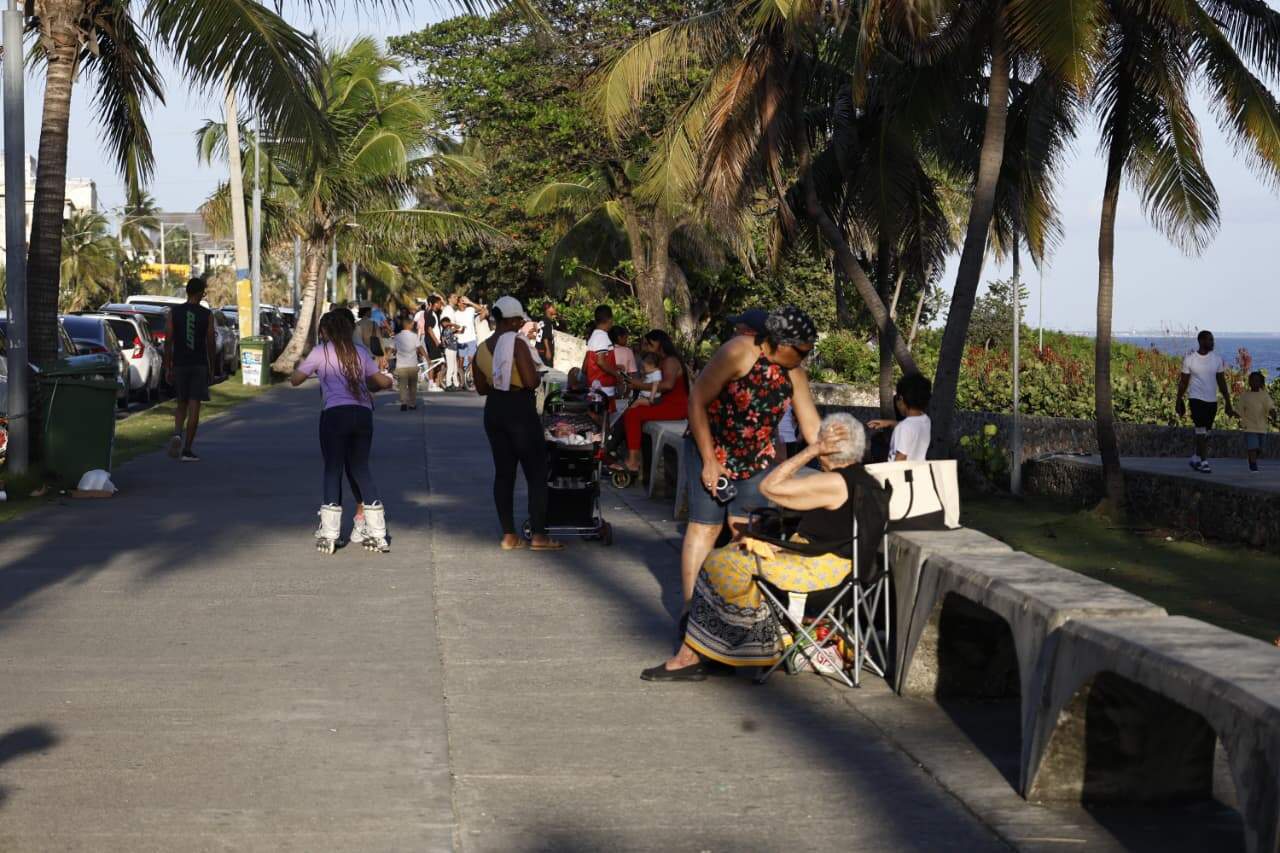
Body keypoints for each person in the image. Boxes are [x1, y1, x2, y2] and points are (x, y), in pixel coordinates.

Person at [642, 414, 883, 681]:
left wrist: (810, 451)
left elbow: (769, 487)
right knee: (734, 555)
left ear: (830, 446)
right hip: (841, 573)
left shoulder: (835, 483)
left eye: (820, 441)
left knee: (720, 563)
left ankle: (692, 656)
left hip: (819, 577)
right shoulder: (868, 481)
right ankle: (717, 650)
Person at [680, 306, 822, 608]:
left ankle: (734, 606)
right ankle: (692, 610)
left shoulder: (794, 372)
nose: (804, 359)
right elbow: (697, 401)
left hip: (756, 456)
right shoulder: (736, 352)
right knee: (706, 527)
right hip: (711, 447)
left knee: (746, 531)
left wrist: (842, 461)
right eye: (801, 351)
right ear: (781, 343)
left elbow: (811, 427)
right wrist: (709, 460)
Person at [290, 309, 394, 554]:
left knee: (333, 469)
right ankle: (378, 532)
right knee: (360, 469)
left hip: (334, 415)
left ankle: (329, 533)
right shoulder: (359, 352)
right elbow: (379, 382)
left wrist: (299, 366)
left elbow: (296, 379)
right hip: (362, 414)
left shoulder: (320, 352)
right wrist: (389, 380)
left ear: (326, 331)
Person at [472, 296, 562, 551]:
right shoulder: (517, 343)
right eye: (519, 320)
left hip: (495, 410)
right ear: (511, 320)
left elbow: (480, 388)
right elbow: (532, 381)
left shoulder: (481, 348)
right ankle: (539, 536)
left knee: (504, 474)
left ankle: (509, 535)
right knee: (535, 473)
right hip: (520, 409)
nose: (521, 324)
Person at [615, 330, 689, 476]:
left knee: (633, 414)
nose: (647, 347)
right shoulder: (663, 360)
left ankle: (633, 461)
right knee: (632, 411)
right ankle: (626, 454)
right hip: (666, 402)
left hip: (675, 407)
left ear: (660, 344)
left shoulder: (670, 360)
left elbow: (667, 385)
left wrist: (640, 386)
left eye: (650, 344)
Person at [164, 278, 218, 462]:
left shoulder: (174, 313)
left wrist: (167, 365)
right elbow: (210, 342)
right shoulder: (207, 314)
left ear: (187, 291)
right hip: (199, 364)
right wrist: (212, 366)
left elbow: (169, 340)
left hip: (180, 363)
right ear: (201, 292)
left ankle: (177, 433)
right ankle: (187, 450)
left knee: (181, 403)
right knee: (194, 404)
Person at [1177, 330, 1236, 473]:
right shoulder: (1189, 359)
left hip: (1212, 401)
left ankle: (1196, 457)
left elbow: (1222, 382)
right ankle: (1204, 461)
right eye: (1210, 340)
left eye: (1212, 340)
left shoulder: (1216, 359)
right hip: (1196, 400)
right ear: (1201, 341)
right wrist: (1178, 399)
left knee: (1206, 433)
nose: (1212, 342)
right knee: (1201, 430)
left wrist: (1228, 402)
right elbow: (1183, 382)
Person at [868, 373, 933, 461]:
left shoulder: (903, 428)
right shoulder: (925, 420)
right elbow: (912, 427)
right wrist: (889, 423)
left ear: (901, 399)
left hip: (900, 473)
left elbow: (901, 458)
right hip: (917, 471)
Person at [1236, 371, 1275, 473]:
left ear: (1261, 382)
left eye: (1257, 380)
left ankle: (1252, 458)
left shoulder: (1264, 395)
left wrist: (1272, 412)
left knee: (1259, 448)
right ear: (1249, 382)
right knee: (1253, 446)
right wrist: (1235, 414)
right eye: (1252, 380)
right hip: (1249, 426)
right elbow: (1239, 409)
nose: (1254, 382)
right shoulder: (1245, 396)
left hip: (1261, 427)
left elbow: (1270, 406)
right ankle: (1253, 465)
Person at [584, 305, 621, 399]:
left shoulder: (594, 336)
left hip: (595, 385)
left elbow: (587, 363)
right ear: (610, 320)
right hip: (604, 386)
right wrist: (616, 374)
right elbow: (600, 361)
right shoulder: (602, 336)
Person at [391, 316, 428, 411]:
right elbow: (420, 348)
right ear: (408, 325)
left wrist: (388, 356)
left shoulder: (397, 336)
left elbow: (393, 349)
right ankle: (412, 404)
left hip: (401, 365)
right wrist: (427, 358)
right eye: (412, 323)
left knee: (402, 385)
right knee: (412, 385)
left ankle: (403, 402)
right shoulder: (414, 336)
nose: (413, 325)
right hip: (412, 364)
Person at [452, 293, 481, 383]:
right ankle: (460, 379)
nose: (464, 303)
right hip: (461, 340)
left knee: (471, 359)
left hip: (471, 339)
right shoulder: (455, 314)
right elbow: (453, 326)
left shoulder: (470, 310)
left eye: (465, 301)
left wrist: (470, 302)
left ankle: (472, 378)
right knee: (461, 359)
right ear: (458, 303)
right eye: (462, 301)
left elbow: (481, 309)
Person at [441, 316, 461, 389]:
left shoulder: (449, 330)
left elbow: (459, 328)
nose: (447, 324)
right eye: (446, 322)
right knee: (451, 368)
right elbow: (458, 327)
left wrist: (450, 324)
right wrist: (450, 324)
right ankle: (448, 384)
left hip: (453, 350)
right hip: (449, 350)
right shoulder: (446, 330)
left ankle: (456, 384)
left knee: (455, 368)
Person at [537, 301, 559, 366]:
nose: (554, 309)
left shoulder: (542, 320)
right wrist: (548, 350)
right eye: (552, 307)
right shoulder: (547, 321)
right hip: (544, 352)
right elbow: (545, 337)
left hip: (540, 350)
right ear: (548, 309)